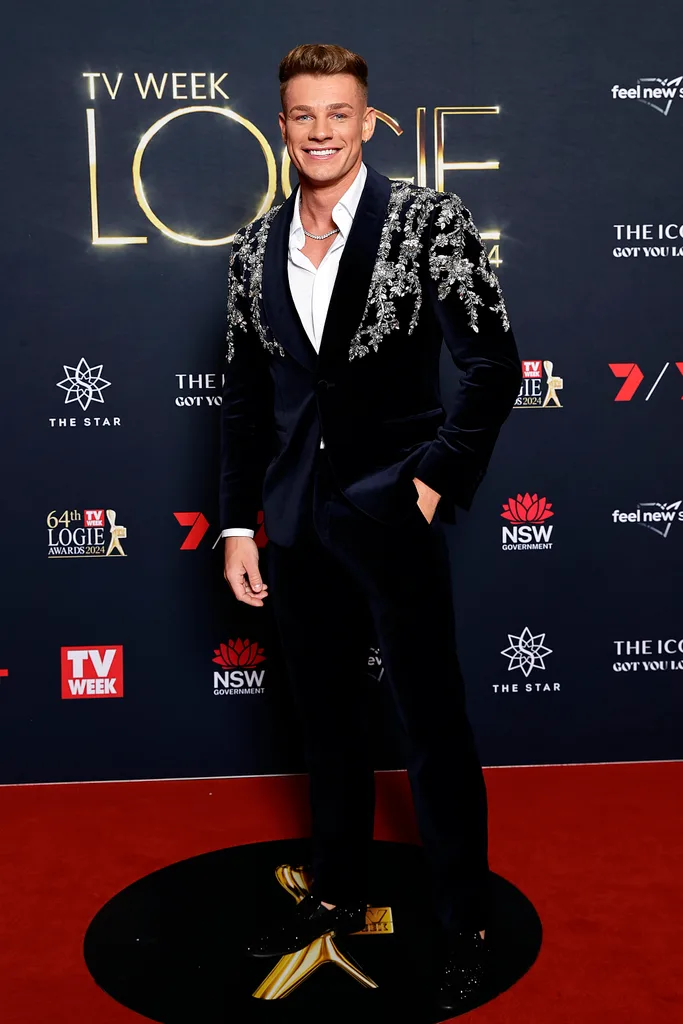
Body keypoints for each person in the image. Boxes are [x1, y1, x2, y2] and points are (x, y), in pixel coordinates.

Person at [219, 42, 521, 1011]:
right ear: (282, 125)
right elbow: (242, 401)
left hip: (393, 512)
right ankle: (338, 893)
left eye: (337, 114)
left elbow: (493, 366)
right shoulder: (254, 246)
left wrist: (431, 483)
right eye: (302, 115)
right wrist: (237, 526)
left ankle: (463, 915)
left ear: (365, 120)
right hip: (297, 528)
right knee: (329, 728)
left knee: (430, 724)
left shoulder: (427, 220)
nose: (319, 132)